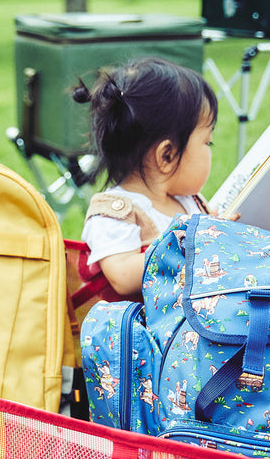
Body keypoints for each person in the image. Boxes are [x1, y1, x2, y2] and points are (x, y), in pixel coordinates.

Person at [73, 57, 220, 298]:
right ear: (167, 155)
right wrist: (195, 244)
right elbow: (122, 276)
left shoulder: (189, 200)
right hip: (146, 322)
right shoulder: (115, 213)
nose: (210, 150)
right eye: (207, 142)